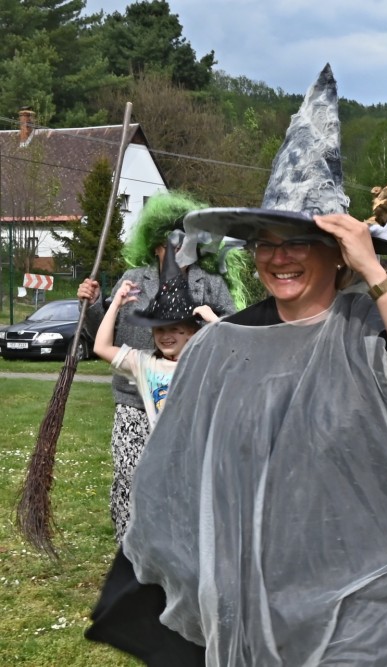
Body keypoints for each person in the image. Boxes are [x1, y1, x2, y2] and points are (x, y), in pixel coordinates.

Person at [85, 63, 387, 666]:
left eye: (299, 242)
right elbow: (181, 469)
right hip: (259, 588)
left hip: (365, 591)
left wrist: (374, 270)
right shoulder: (224, 345)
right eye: (267, 243)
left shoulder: (370, 329)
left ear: (336, 252)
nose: (279, 258)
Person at [77, 192, 238, 542]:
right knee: (131, 475)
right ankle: (130, 543)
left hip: (189, 402)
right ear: (156, 247)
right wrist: (93, 304)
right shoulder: (134, 280)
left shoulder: (210, 284)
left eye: (186, 242)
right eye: (171, 242)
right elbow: (102, 333)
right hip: (133, 398)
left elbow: (234, 332)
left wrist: (210, 320)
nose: (179, 249)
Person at [93, 245, 217, 429]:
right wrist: (115, 304)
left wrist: (215, 322)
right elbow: (101, 347)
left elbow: (240, 355)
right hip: (161, 447)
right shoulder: (145, 364)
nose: (166, 336)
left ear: (191, 331)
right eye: (159, 329)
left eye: (174, 328)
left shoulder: (204, 362)